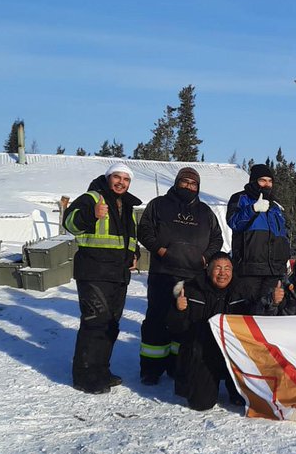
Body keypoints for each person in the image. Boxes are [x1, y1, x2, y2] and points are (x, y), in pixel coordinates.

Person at [136, 166, 223, 386]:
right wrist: (161, 250)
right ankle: (151, 369)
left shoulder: (205, 212)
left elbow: (217, 239)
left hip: (193, 276)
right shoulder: (159, 205)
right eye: (184, 182)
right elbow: (144, 230)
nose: (188, 186)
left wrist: (205, 258)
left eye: (193, 183)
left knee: (184, 322)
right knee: (157, 319)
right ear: (176, 182)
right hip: (163, 273)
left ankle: (177, 365)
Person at [62, 163, 142, 394]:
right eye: (117, 177)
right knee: (94, 323)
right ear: (108, 178)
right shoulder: (91, 198)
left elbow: (128, 238)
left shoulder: (126, 205)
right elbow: (70, 223)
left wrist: (133, 255)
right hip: (94, 272)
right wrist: (92, 214)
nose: (121, 182)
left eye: (126, 179)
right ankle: (84, 376)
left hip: (118, 274)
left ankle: (101, 370)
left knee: (111, 325)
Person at [167, 253, 254, 411]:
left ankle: (235, 389)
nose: (223, 273)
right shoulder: (191, 290)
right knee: (201, 403)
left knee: (243, 399)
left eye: (227, 268)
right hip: (202, 352)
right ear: (208, 270)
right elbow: (175, 328)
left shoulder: (242, 292)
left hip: (232, 353)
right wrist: (178, 310)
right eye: (218, 268)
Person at [227, 163, 290, 299]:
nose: (267, 184)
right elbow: (233, 222)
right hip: (250, 269)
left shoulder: (275, 205)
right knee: (249, 312)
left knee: (270, 313)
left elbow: (283, 235)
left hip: (275, 270)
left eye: (270, 181)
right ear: (254, 181)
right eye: (263, 180)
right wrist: (252, 209)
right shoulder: (240, 198)